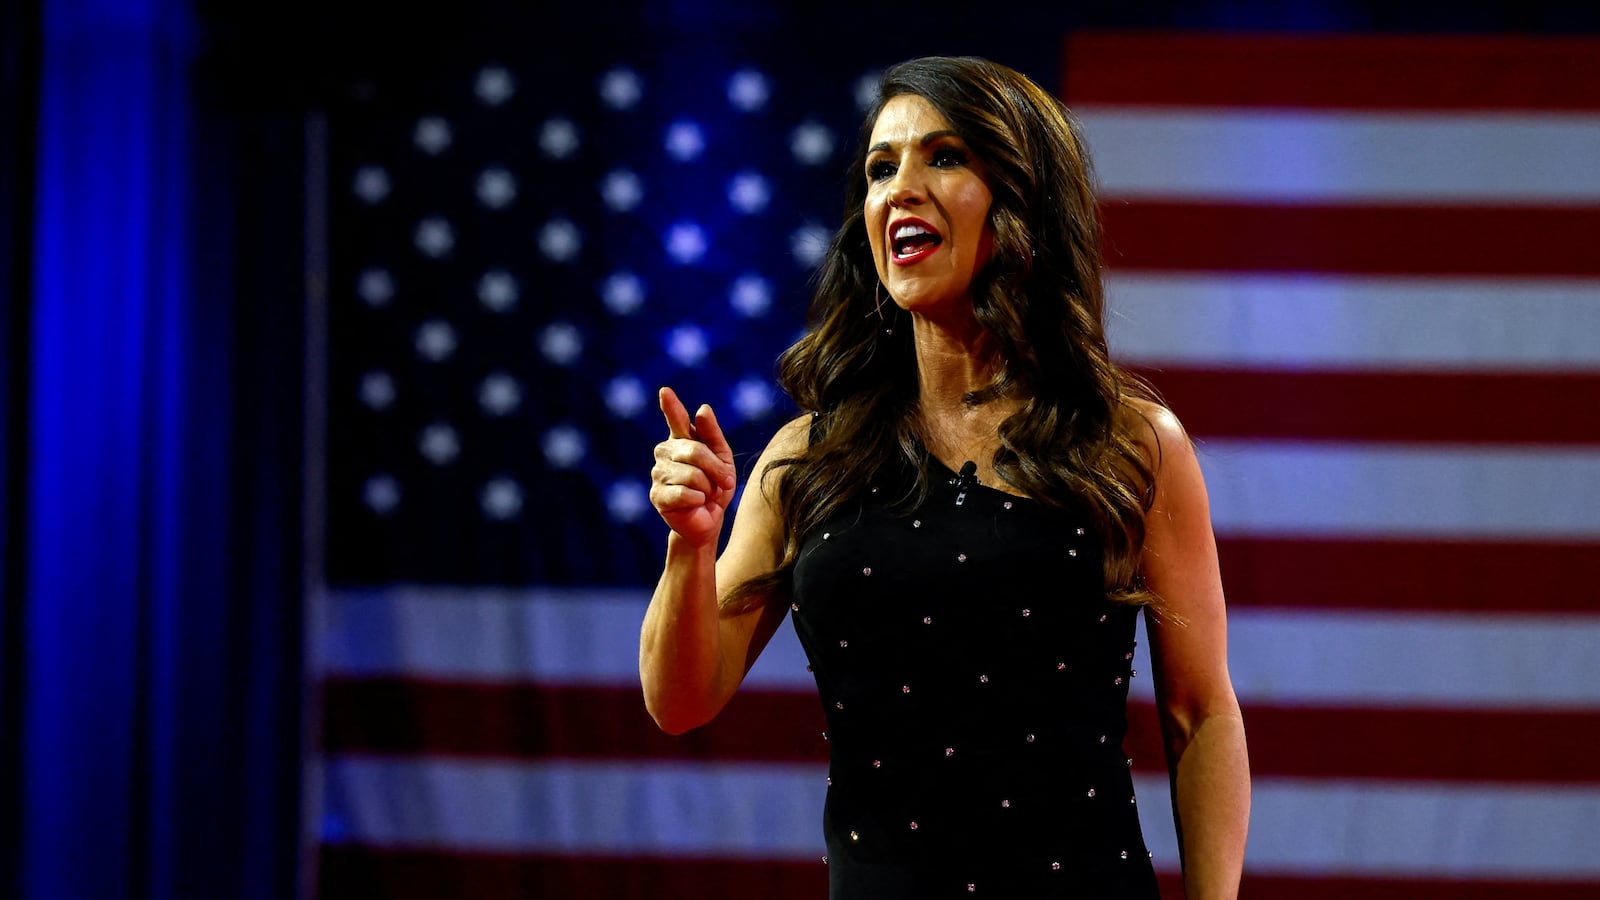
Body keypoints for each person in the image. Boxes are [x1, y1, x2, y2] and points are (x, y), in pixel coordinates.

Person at [640, 55, 1248, 899]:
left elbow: (1201, 714)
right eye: (881, 167)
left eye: (946, 157)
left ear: (1025, 199)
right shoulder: (805, 459)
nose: (901, 189)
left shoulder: (1130, 443)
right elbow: (679, 702)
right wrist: (690, 547)